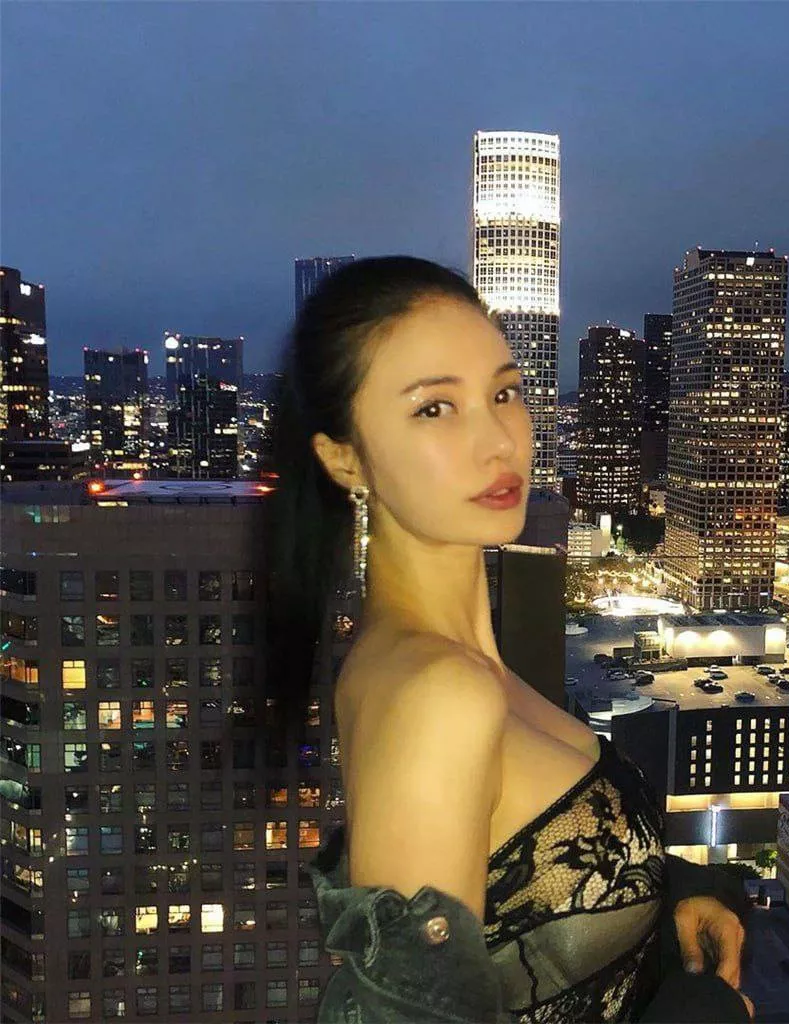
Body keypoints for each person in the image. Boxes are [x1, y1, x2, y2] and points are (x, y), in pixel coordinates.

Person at [261, 256, 754, 1022]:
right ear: (343, 457)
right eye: (435, 408)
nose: (498, 440)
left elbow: (521, 891)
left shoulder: (462, 664)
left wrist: (669, 895)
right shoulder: (436, 695)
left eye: (504, 392)